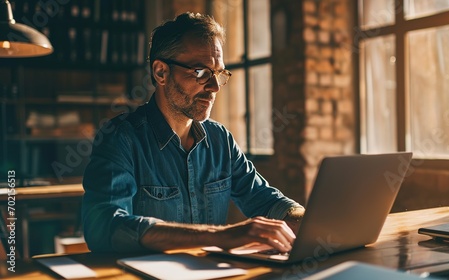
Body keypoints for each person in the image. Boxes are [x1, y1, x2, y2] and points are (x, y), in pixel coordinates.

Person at [81, 12, 305, 253]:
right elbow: (104, 228)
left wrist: (303, 218)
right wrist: (220, 235)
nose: (214, 87)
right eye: (200, 72)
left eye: (218, 73)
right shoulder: (120, 138)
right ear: (161, 73)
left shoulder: (221, 141)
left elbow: (266, 200)